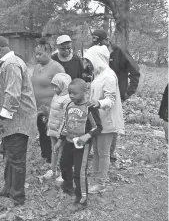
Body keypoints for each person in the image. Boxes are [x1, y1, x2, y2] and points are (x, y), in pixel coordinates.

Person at [0, 36, 38, 207]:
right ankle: (8, 189)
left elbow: (13, 94)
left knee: (16, 158)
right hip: (11, 120)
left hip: (17, 121)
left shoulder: (12, 64)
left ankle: (17, 197)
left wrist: (1, 119)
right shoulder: (7, 64)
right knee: (8, 156)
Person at [91, 29, 140, 161]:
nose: (97, 46)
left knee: (111, 122)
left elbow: (135, 71)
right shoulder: (96, 52)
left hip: (116, 94)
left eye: (99, 42)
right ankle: (98, 150)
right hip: (99, 92)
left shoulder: (121, 52)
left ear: (107, 40)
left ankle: (110, 153)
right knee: (97, 118)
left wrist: (128, 92)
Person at [54, 78, 102, 210]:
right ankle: (68, 185)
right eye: (69, 93)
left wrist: (87, 136)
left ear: (84, 92)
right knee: (64, 164)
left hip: (82, 146)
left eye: (74, 93)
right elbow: (65, 124)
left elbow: (98, 127)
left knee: (79, 173)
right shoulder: (70, 105)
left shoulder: (90, 108)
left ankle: (82, 200)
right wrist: (60, 140)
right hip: (69, 142)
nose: (71, 96)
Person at [83, 45, 124, 193]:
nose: (87, 64)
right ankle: (95, 178)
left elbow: (110, 99)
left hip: (107, 121)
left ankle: (101, 183)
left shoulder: (109, 76)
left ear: (96, 59)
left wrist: (98, 103)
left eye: (88, 61)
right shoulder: (98, 74)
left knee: (103, 152)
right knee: (97, 152)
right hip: (97, 120)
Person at [31, 39, 65, 165]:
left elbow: (64, 88)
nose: (37, 56)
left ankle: (54, 161)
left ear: (49, 52)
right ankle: (45, 155)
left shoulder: (57, 67)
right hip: (39, 108)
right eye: (36, 53)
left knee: (52, 134)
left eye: (40, 54)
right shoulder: (37, 67)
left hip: (52, 109)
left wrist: (54, 107)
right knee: (42, 132)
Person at [43, 73, 72, 180]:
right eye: (53, 86)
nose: (54, 89)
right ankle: (53, 170)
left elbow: (65, 118)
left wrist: (61, 134)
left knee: (62, 153)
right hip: (53, 130)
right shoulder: (56, 96)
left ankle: (62, 173)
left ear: (64, 86)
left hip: (61, 133)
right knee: (54, 150)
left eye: (56, 87)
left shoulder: (67, 99)